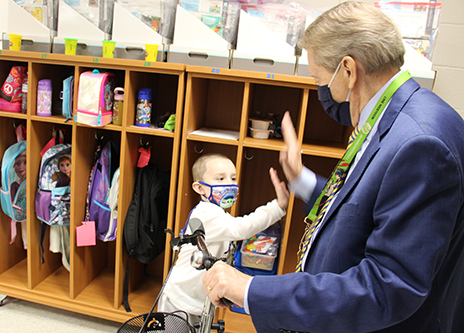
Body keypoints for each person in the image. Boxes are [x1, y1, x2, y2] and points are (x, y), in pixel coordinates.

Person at [202, 2, 464, 332]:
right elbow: (365, 207)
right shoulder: (394, 119)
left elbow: (389, 287)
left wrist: (250, 289)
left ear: (349, 70)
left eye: (319, 79)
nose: (321, 92)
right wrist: (303, 181)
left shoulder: (421, 144)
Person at [158, 153, 289, 325]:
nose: (229, 183)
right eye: (220, 178)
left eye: (233, 178)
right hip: (179, 300)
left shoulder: (218, 213)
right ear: (200, 188)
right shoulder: (206, 213)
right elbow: (241, 228)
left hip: (197, 301)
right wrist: (277, 207)